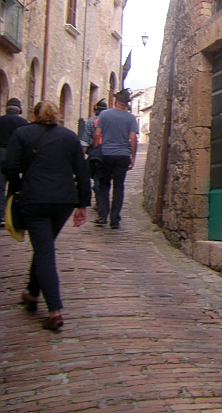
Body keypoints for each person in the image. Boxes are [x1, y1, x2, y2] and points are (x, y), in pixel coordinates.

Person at [2, 101, 89, 331]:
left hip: (35, 200)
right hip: (63, 201)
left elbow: (9, 166)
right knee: (44, 247)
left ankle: (55, 311)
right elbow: (82, 170)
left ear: (34, 115)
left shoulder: (22, 134)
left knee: (44, 252)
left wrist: (21, 184)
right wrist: (83, 204)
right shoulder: (69, 137)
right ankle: (31, 294)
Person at [93, 89, 138, 229]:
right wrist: (133, 157)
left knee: (104, 185)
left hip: (106, 154)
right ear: (126, 104)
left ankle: (102, 216)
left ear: (115, 101)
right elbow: (132, 138)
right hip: (122, 155)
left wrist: (95, 149)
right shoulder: (130, 118)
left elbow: (97, 134)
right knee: (118, 187)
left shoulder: (104, 115)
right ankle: (115, 219)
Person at [0, 98, 29, 214]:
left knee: (0, 185)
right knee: (14, 185)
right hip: (16, 156)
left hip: (0, 152)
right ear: (18, 111)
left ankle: (0, 213)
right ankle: (9, 213)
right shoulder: (23, 123)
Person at [80, 99, 107, 208]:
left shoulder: (91, 122)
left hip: (95, 154)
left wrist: (82, 157)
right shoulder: (110, 120)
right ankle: (103, 202)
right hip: (110, 152)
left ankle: (99, 201)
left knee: (96, 178)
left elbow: (85, 141)